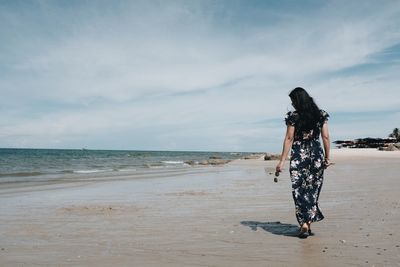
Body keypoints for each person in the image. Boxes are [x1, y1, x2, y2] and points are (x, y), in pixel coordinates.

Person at [275, 87, 333, 238]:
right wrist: (327, 157)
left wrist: (282, 161)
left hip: (298, 157)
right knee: (313, 190)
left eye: (293, 101)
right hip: (316, 155)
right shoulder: (321, 115)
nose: (292, 104)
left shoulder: (293, 117)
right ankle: (308, 223)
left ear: (298, 100)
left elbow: (289, 139)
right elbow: (325, 137)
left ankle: (304, 224)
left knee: (299, 190)